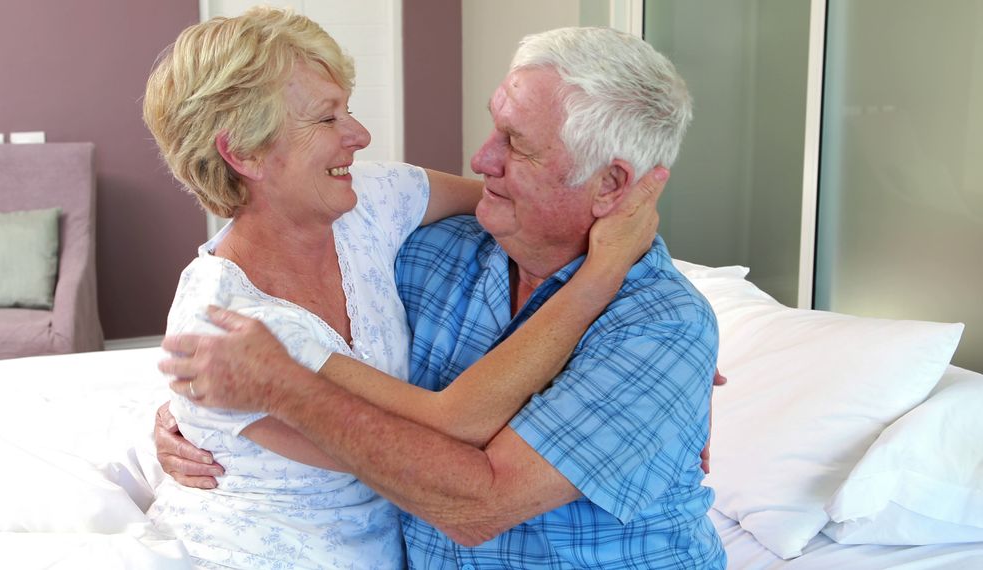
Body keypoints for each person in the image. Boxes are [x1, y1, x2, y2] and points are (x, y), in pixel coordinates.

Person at [159, 24, 727, 569]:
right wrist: (195, 415)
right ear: (245, 153)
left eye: (517, 144)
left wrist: (670, 347)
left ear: (610, 185)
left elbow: (478, 503)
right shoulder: (431, 254)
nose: (481, 160)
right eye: (327, 116)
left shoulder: (660, 326)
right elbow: (249, 333)